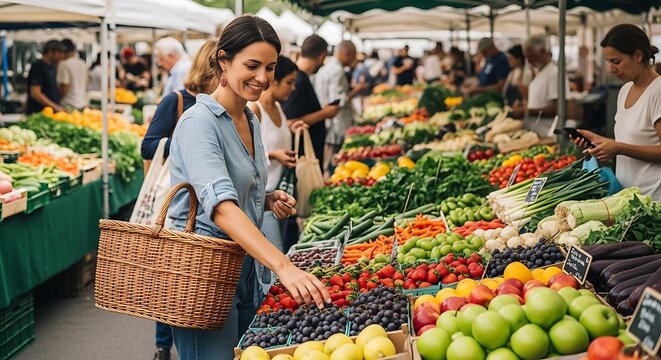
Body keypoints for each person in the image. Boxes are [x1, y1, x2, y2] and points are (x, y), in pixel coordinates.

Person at [167, 16, 330, 359]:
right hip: (204, 275)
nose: (263, 78)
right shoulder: (199, 123)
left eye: (270, 67)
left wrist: (266, 199)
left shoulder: (249, 118)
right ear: (223, 61)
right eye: (252, 65)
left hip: (245, 269)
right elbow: (221, 207)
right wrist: (284, 266)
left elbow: (236, 188)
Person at [139, 39, 217, 360]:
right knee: (171, 278)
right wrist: (188, 139)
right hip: (176, 201)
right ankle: (162, 346)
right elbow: (148, 146)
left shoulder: (228, 107)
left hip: (207, 207)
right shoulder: (177, 101)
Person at [573, 24, 661, 201]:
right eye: (608, 62)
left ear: (638, 55)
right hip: (625, 197)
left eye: (616, 61)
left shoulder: (658, 90)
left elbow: (626, 147)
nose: (611, 69)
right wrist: (601, 143)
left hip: (653, 200)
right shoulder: (625, 90)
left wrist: (619, 148)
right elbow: (634, 142)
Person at [248, 55, 307, 296]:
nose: (293, 88)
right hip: (266, 196)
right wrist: (274, 155)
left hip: (282, 195)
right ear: (274, 81)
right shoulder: (255, 109)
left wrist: (293, 129)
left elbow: (275, 135)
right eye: (289, 82)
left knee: (281, 253)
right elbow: (250, 155)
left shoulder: (280, 109)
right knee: (276, 263)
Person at [281, 35, 339, 169]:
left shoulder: (301, 79)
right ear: (322, 55)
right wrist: (324, 113)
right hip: (303, 159)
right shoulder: (298, 82)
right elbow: (291, 121)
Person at [314, 40, 364, 173]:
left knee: (329, 155)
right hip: (337, 122)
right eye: (353, 56)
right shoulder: (338, 71)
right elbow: (338, 100)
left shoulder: (325, 69)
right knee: (334, 159)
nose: (353, 60)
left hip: (327, 120)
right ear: (347, 54)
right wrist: (356, 90)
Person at [515, 35, 569, 127]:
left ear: (543, 51)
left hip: (547, 131)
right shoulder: (541, 72)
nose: (529, 61)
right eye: (526, 57)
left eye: (531, 56)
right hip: (537, 129)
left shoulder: (554, 73)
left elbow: (557, 108)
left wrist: (526, 111)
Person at [26, 40, 65, 114]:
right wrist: (55, 107)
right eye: (59, 53)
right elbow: (35, 93)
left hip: (51, 113)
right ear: (50, 52)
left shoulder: (52, 67)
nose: (62, 56)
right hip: (39, 114)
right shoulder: (38, 67)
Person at [56, 39, 87, 110]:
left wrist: (57, 99)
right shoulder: (82, 63)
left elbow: (64, 87)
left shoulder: (64, 64)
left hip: (68, 105)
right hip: (82, 103)